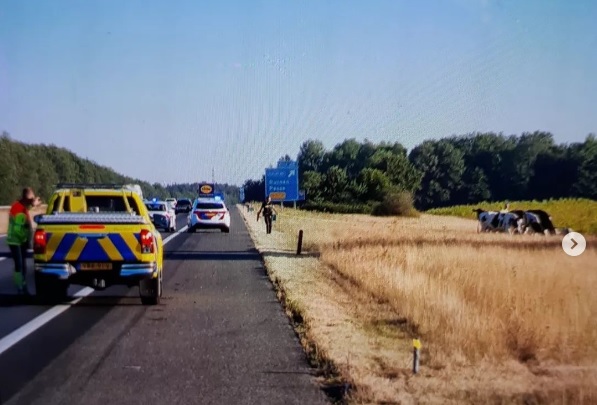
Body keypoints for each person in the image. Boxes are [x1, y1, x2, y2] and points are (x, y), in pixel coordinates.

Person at [6, 187, 41, 295]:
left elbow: (25, 208)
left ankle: (23, 286)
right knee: (19, 265)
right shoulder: (17, 208)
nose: (32, 201)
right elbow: (20, 225)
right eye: (31, 199)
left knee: (23, 265)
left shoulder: (22, 207)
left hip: (21, 241)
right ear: (26, 198)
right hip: (15, 241)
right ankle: (20, 287)